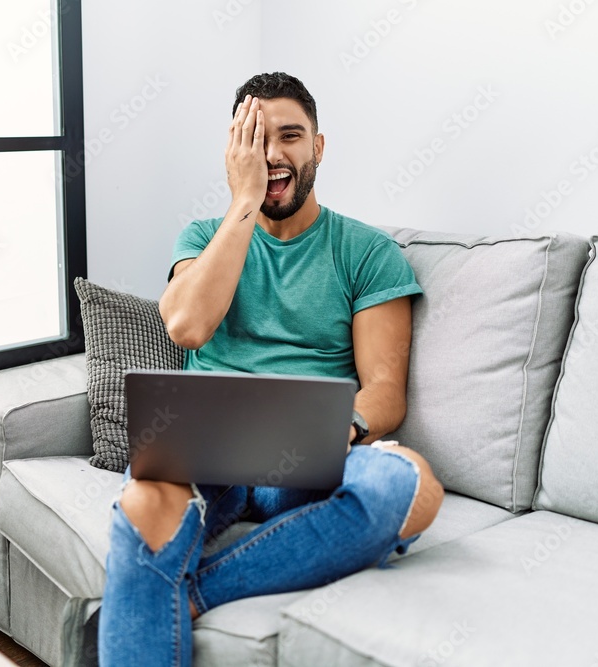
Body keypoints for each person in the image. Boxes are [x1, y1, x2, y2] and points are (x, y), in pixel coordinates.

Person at [97, 72, 445, 666]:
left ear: (319, 146)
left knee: (408, 483)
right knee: (141, 503)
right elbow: (185, 327)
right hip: (206, 451)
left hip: (303, 462)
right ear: (236, 151)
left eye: (291, 135)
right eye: (256, 138)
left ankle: (193, 590)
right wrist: (243, 203)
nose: (274, 154)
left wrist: (349, 428)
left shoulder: (366, 252)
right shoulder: (206, 236)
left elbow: (386, 391)